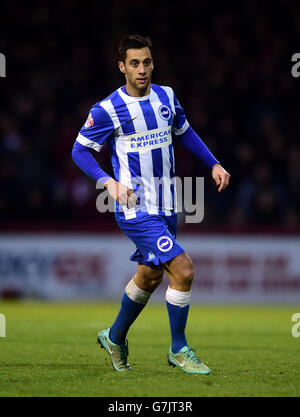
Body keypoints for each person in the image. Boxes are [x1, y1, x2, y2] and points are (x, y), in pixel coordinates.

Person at [72, 34, 230, 374]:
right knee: (184, 269)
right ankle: (179, 348)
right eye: (134, 63)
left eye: (146, 62)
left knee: (149, 275)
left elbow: (184, 131)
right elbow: (79, 150)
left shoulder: (166, 96)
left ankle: (114, 337)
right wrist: (108, 182)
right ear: (121, 67)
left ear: (152, 63)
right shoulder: (107, 110)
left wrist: (213, 163)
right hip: (134, 208)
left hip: (167, 204)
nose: (141, 69)